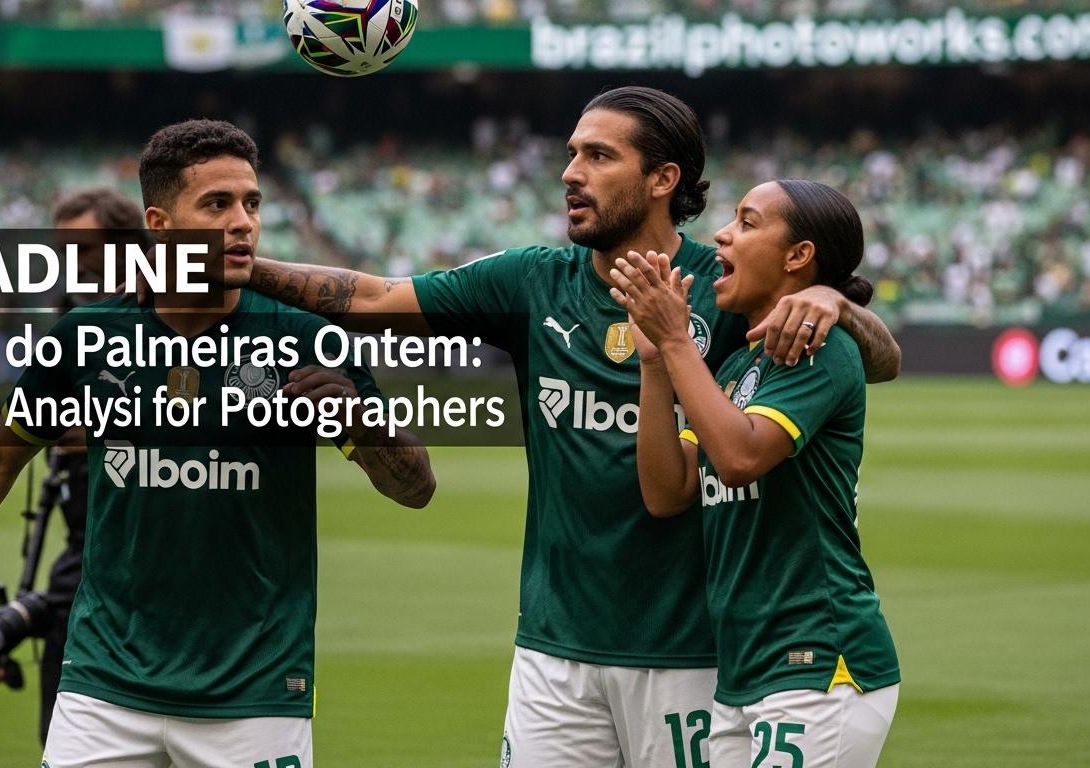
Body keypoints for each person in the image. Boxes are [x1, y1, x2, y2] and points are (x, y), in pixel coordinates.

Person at [240, 87, 901, 767]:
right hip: (553, 654)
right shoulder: (532, 280)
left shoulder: (726, 288)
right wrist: (235, 267)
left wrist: (832, 301)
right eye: (572, 153)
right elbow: (375, 297)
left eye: (598, 156)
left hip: (693, 655)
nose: (570, 172)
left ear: (662, 179)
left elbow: (878, 361)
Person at [0, 119, 436, 768]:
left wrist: (363, 424)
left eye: (252, 203)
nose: (243, 222)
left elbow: (415, 488)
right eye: (217, 204)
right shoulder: (88, 336)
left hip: (254, 695)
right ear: (159, 224)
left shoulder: (305, 338)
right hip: (104, 687)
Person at [612, 180, 899, 768]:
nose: (722, 234)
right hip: (744, 669)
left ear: (799, 255)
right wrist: (655, 362)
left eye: (747, 222)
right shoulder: (737, 366)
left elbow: (740, 460)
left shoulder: (821, 350)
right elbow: (669, 491)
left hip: (817, 658)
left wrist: (676, 338)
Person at [0, 187, 148, 747]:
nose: (73, 265)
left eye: (84, 250)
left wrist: (18, 619)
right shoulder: (75, 315)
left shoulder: (173, 314)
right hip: (85, 544)